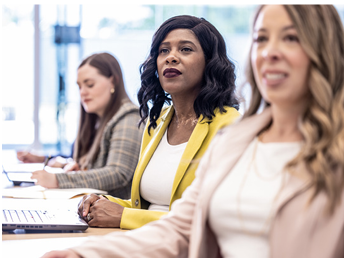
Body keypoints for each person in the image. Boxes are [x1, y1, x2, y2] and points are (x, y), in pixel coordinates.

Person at [42, 5, 344, 258]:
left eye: (290, 38)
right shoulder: (236, 140)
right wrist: (82, 253)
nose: (270, 52)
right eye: (261, 39)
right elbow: (182, 227)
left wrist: (120, 217)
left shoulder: (229, 126)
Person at [76, 15, 240, 230]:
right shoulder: (157, 122)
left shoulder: (230, 127)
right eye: (164, 50)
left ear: (210, 62)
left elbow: (213, 220)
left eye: (185, 49)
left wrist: (123, 216)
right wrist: (102, 203)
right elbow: (147, 207)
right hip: (144, 241)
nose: (171, 57)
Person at [31, 53, 144, 198]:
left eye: (89, 84)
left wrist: (57, 180)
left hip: (113, 214)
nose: (82, 92)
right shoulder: (97, 120)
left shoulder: (129, 119)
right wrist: (78, 168)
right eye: (79, 86)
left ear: (113, 81)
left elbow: (117, 173)